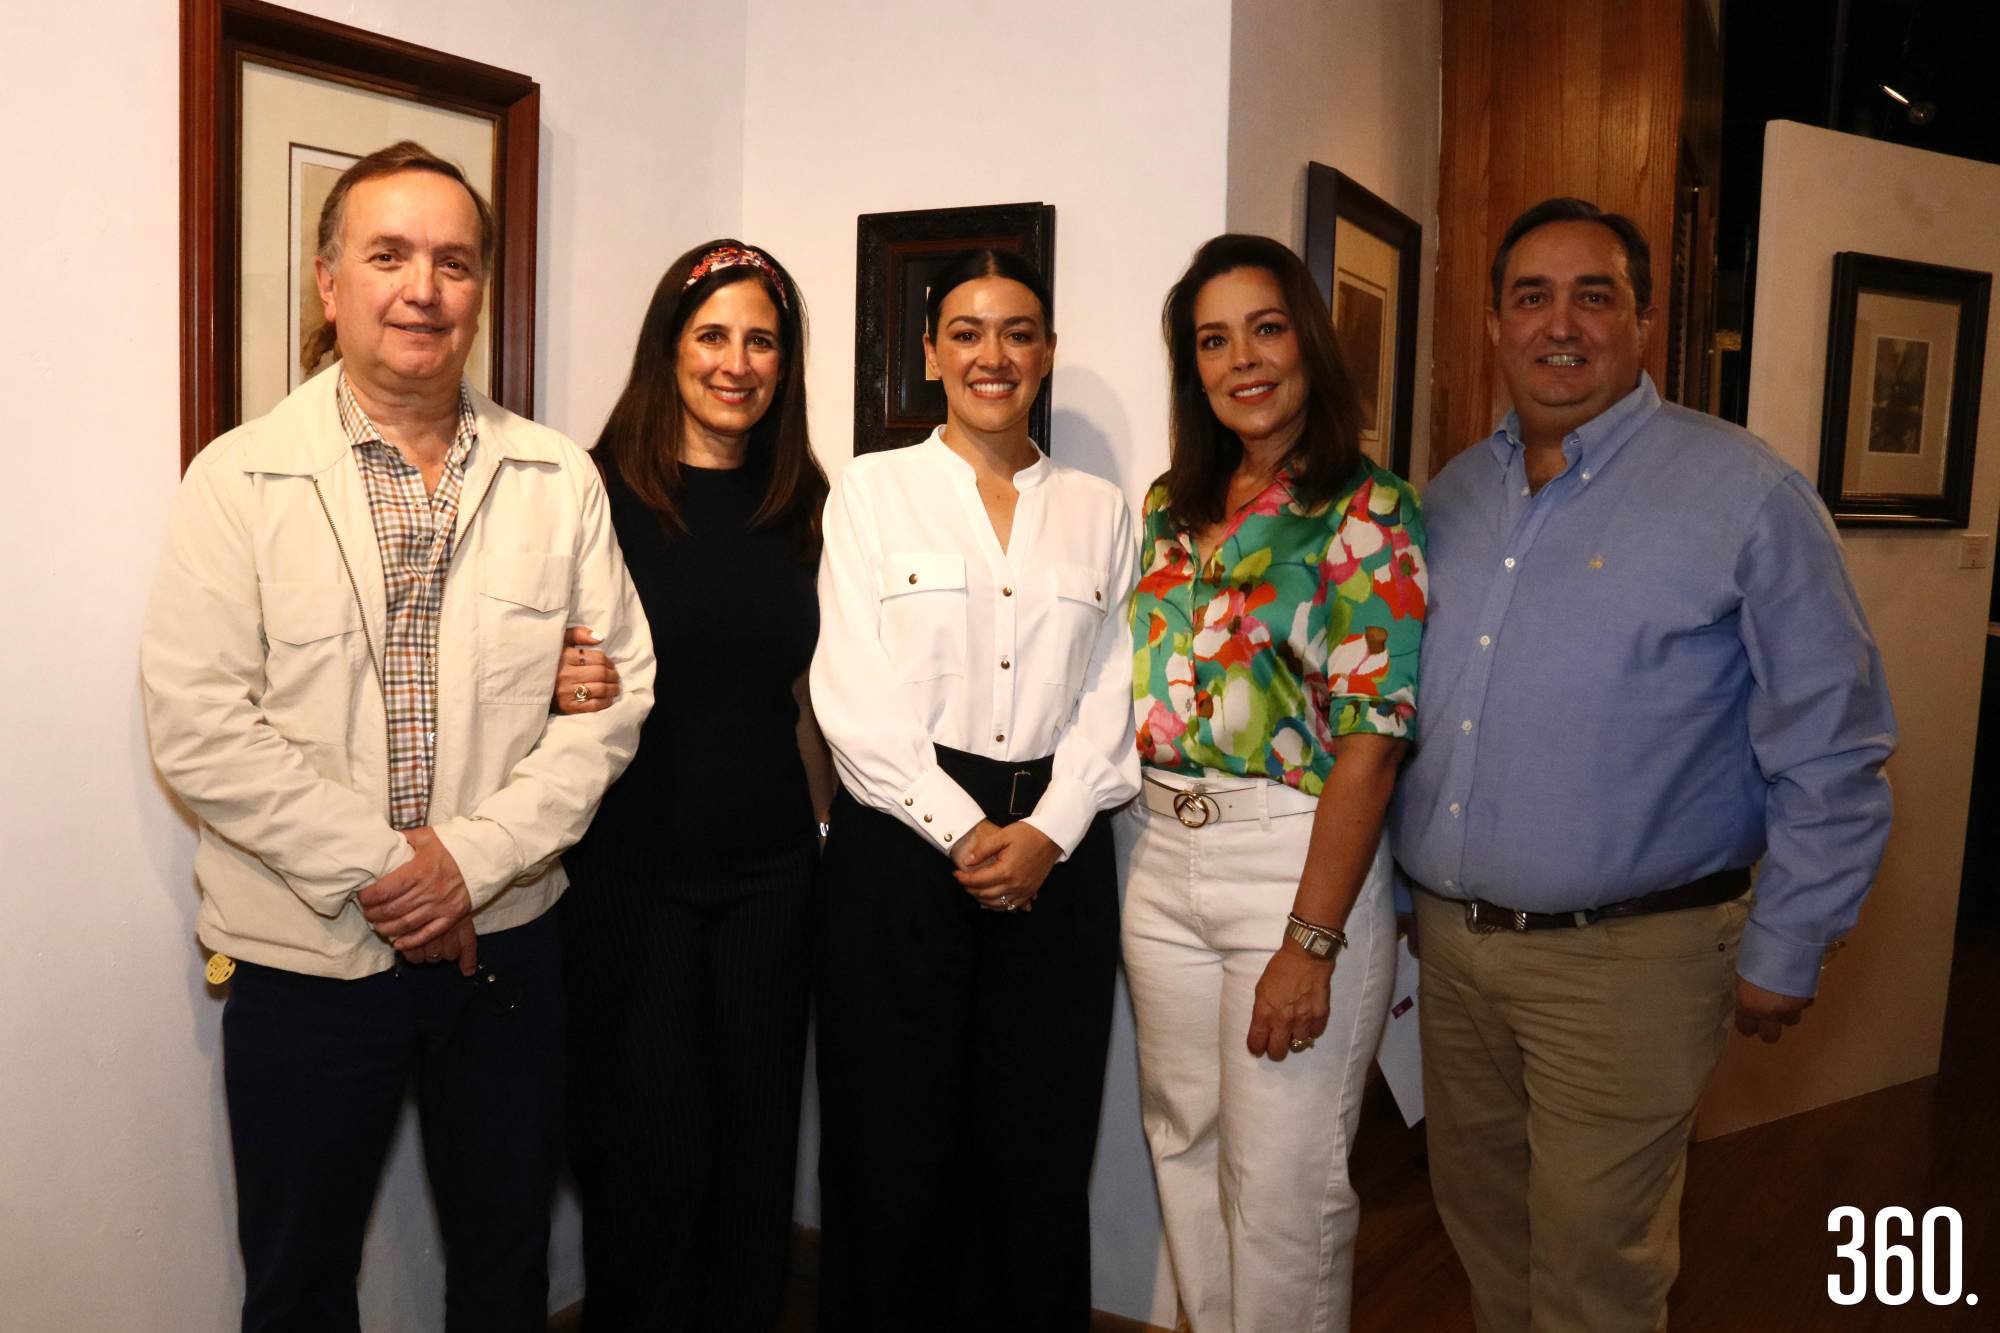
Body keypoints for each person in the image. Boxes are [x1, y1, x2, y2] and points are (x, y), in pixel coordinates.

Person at [139, 140, 655, 1331]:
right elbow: (201, 727)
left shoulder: (555, 475)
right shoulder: (239, 480)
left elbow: (614, 695)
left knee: (503, 1266)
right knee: (300, 1277)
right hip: (306, 954)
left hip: (507, 945)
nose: (423, 287)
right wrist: (395, 872)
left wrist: (468, 863)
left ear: (481, 290)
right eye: (389, 255)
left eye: (454, 262)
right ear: (330, 284)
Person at [1390, 196, 1897, 1333]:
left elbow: (1835, 740)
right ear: (1491, 323)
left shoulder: (1744, 495)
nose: (1558, 324)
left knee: (1592, 1271)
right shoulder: (1449, 498)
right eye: (1531, 296)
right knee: (1483, 1234)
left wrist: (1790, 940)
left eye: (1592, 295)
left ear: (1642, 323)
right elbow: (1405, 717)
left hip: (1628, 965)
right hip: (1454, 953)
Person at [807, 248, 1139, 1331]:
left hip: (1059, 849)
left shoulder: (1100, 508)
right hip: (897, 851)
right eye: (966, 331)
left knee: (1037, 1149)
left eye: (1017, 331)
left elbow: (1114, 686)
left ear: (1045, 352)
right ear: (928, 353)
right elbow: (847, 690)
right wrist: (963, 832)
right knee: (889, 1148)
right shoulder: (870, 488)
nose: (991, 354)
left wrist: (1046, 828)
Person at [1121, 233, 1428, 1332]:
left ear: (1306, 340)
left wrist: (1310, 941)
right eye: (1212, 339)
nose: (1242, 358)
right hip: (1163, 861)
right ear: (1191, 365)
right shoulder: (1168, 505)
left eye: (1265, 327)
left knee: (1282, 1192)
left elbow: (1373, 741)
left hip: (1293, 863)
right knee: (1183, 1149)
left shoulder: (1369, 511)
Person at [549, 239, 832, 1332]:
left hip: (768, 877)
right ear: (667, 346)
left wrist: (821, 834)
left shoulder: (803, 500)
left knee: (753, 1162)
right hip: (630, 874)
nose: (736, 361)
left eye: (762, 339)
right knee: (645, 1161)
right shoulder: (590, 493)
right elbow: (527, 663)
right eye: (712, 334)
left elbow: (811, 698)